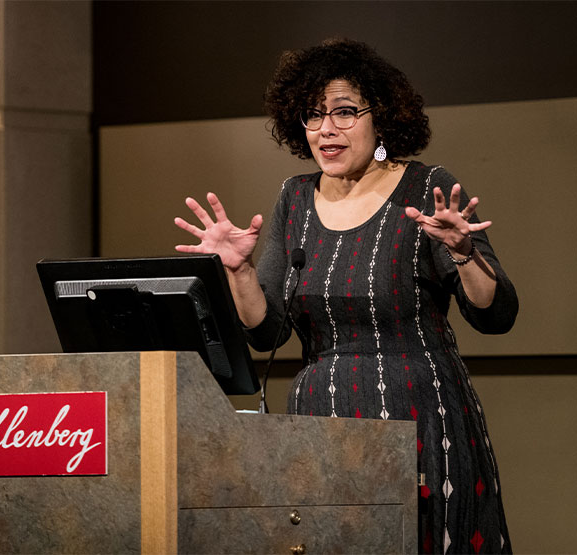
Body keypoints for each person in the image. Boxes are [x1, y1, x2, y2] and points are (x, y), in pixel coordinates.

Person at [174, 38, 517, 554]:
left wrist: (464, 252)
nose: (326, 129)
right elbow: (267, 331)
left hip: (420, 419)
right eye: (313, 116)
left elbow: (497, 314)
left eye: (344, 112)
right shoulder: (295, 196)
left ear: (382, 118)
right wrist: (239, 272)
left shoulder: (427, 188)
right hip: (321, 423)